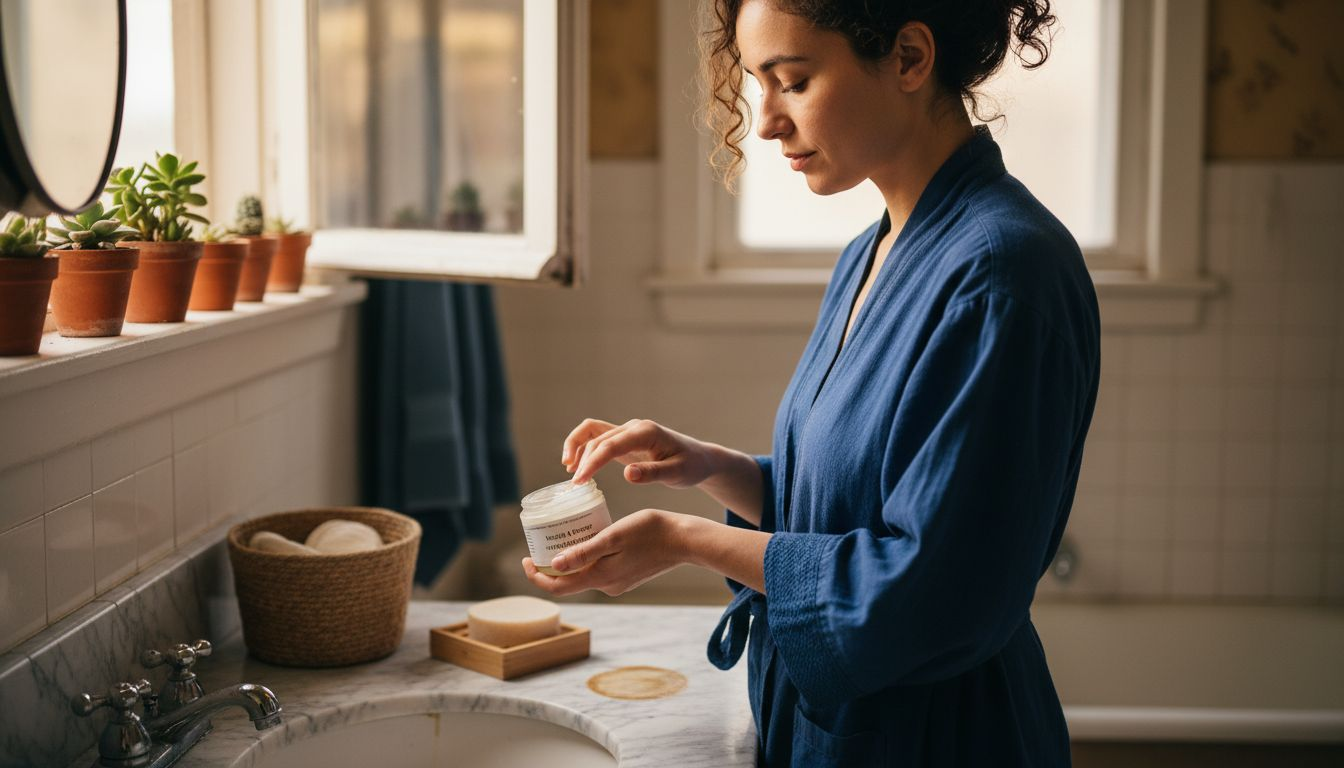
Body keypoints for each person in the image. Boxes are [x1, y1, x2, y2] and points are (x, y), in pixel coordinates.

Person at [522, 0, 1098, 765]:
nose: (764, 123)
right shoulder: (877, 248)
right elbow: (854, 504)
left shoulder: (999, 278)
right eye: (758, 86)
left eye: (791, 81)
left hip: (938, 740)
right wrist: (707, 467)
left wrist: (685, 540)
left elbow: (928, 585)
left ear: (909, 58)